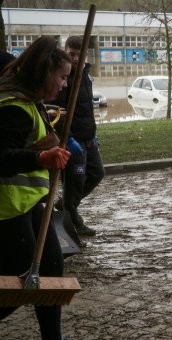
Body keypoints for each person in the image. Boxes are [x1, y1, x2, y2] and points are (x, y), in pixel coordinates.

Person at [0, 36, 72, 340]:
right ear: (44, 74)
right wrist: (40, 157)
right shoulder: (13, 108)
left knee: (52, 270)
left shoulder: (32, 102)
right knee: (22, 281)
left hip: (28, 204)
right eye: (62, 77)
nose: (65, 84)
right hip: (6, 209)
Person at [50, 36, 105, 237]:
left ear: (85, 54)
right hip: (73, 141)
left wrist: (93, 133)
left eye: (78, 54)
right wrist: (68, 137)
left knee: (97, 173)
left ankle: (65, 204)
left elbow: (86, 109)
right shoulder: (64, 77)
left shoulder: (86, 74)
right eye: (70, 54)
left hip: (89, 138)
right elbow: (58, 111)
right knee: (75, 183)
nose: (74, 59)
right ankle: (73, 220)